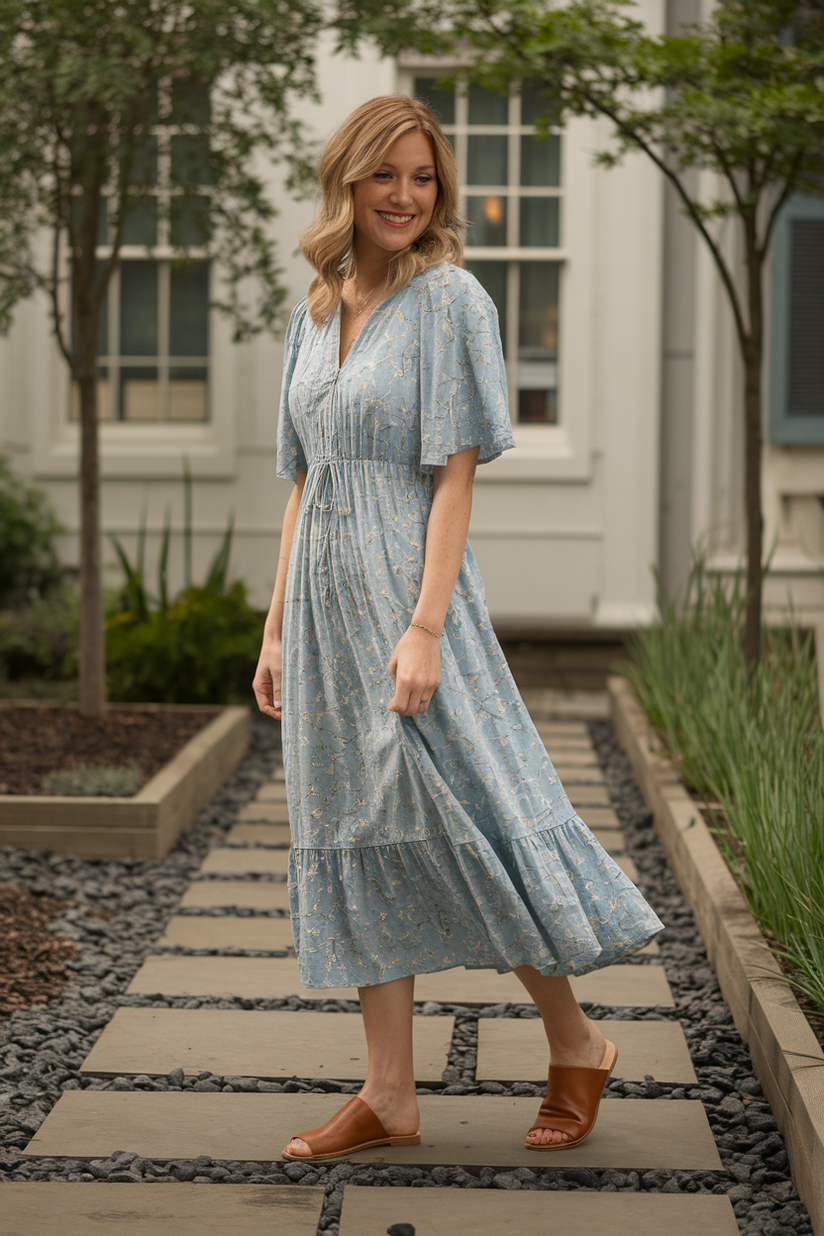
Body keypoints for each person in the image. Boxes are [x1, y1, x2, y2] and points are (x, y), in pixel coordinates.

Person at [252, 93, 664, 1162]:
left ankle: (577, 1041)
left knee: (470, 811)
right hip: (321, 608)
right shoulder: (314, 305)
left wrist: (425, 626)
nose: (403, 195)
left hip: (408, 596)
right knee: (354, 824)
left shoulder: (451, 303)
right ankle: (388, 1093)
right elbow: (302, 480)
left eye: (422, 177)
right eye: (384, 175)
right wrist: (274, 627)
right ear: (346, 180)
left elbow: (452, 481)